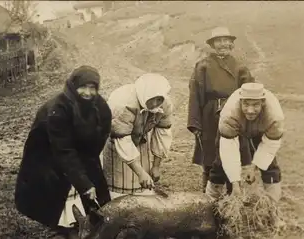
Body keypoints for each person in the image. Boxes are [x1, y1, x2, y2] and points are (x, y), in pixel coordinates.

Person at [14, 65, 112, 239]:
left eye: (93, 88)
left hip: (76, 153)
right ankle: (56, 230)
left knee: (90, 188)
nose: (88, 93)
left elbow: (100, 136)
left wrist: (88, 170)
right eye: (83, 87)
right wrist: (83, 181)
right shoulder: (58, 108)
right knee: (57, 189)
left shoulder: (100, 107)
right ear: (74, 86)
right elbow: (63, 150)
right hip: (47, 156)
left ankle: (77, 226)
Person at [188, 26, 255, 193]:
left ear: (231, 43)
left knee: (235, 153)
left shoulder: (240, 67)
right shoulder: (203, 66)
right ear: (213, 44)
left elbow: (250, 92)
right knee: (210, 156)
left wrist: (249, 117)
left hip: (235, 114)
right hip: (210, 116)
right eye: (219, 41)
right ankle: (207, 195)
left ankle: (234, 193)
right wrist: (195, 123)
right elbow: (195, 94)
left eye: (226, 40)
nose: (223, 44)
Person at [206, 82, 284, 202]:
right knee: (220, 163)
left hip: (261, 128)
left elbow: (270, 145)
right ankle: (210, 201)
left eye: (255, 105)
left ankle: (272, 207)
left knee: (270, 165)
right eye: (246, 104)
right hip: (235, 126)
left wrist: (254, 167)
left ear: (262, 103)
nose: (250, 110)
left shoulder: (274, 116)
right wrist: (235, 184)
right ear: (240, 102)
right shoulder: (229, 114)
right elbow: (229, 152)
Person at [102, 73, 173, 198]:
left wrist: (156, 166)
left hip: (141, 141)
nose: (156, 103)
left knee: (144, 191)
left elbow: (162, 133)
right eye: (153, 99)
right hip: (118, 143)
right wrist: (140, 173)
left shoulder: (165, 104)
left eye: (159, 99)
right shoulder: (123, 103)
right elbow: (122, 139)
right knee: (119, 194)